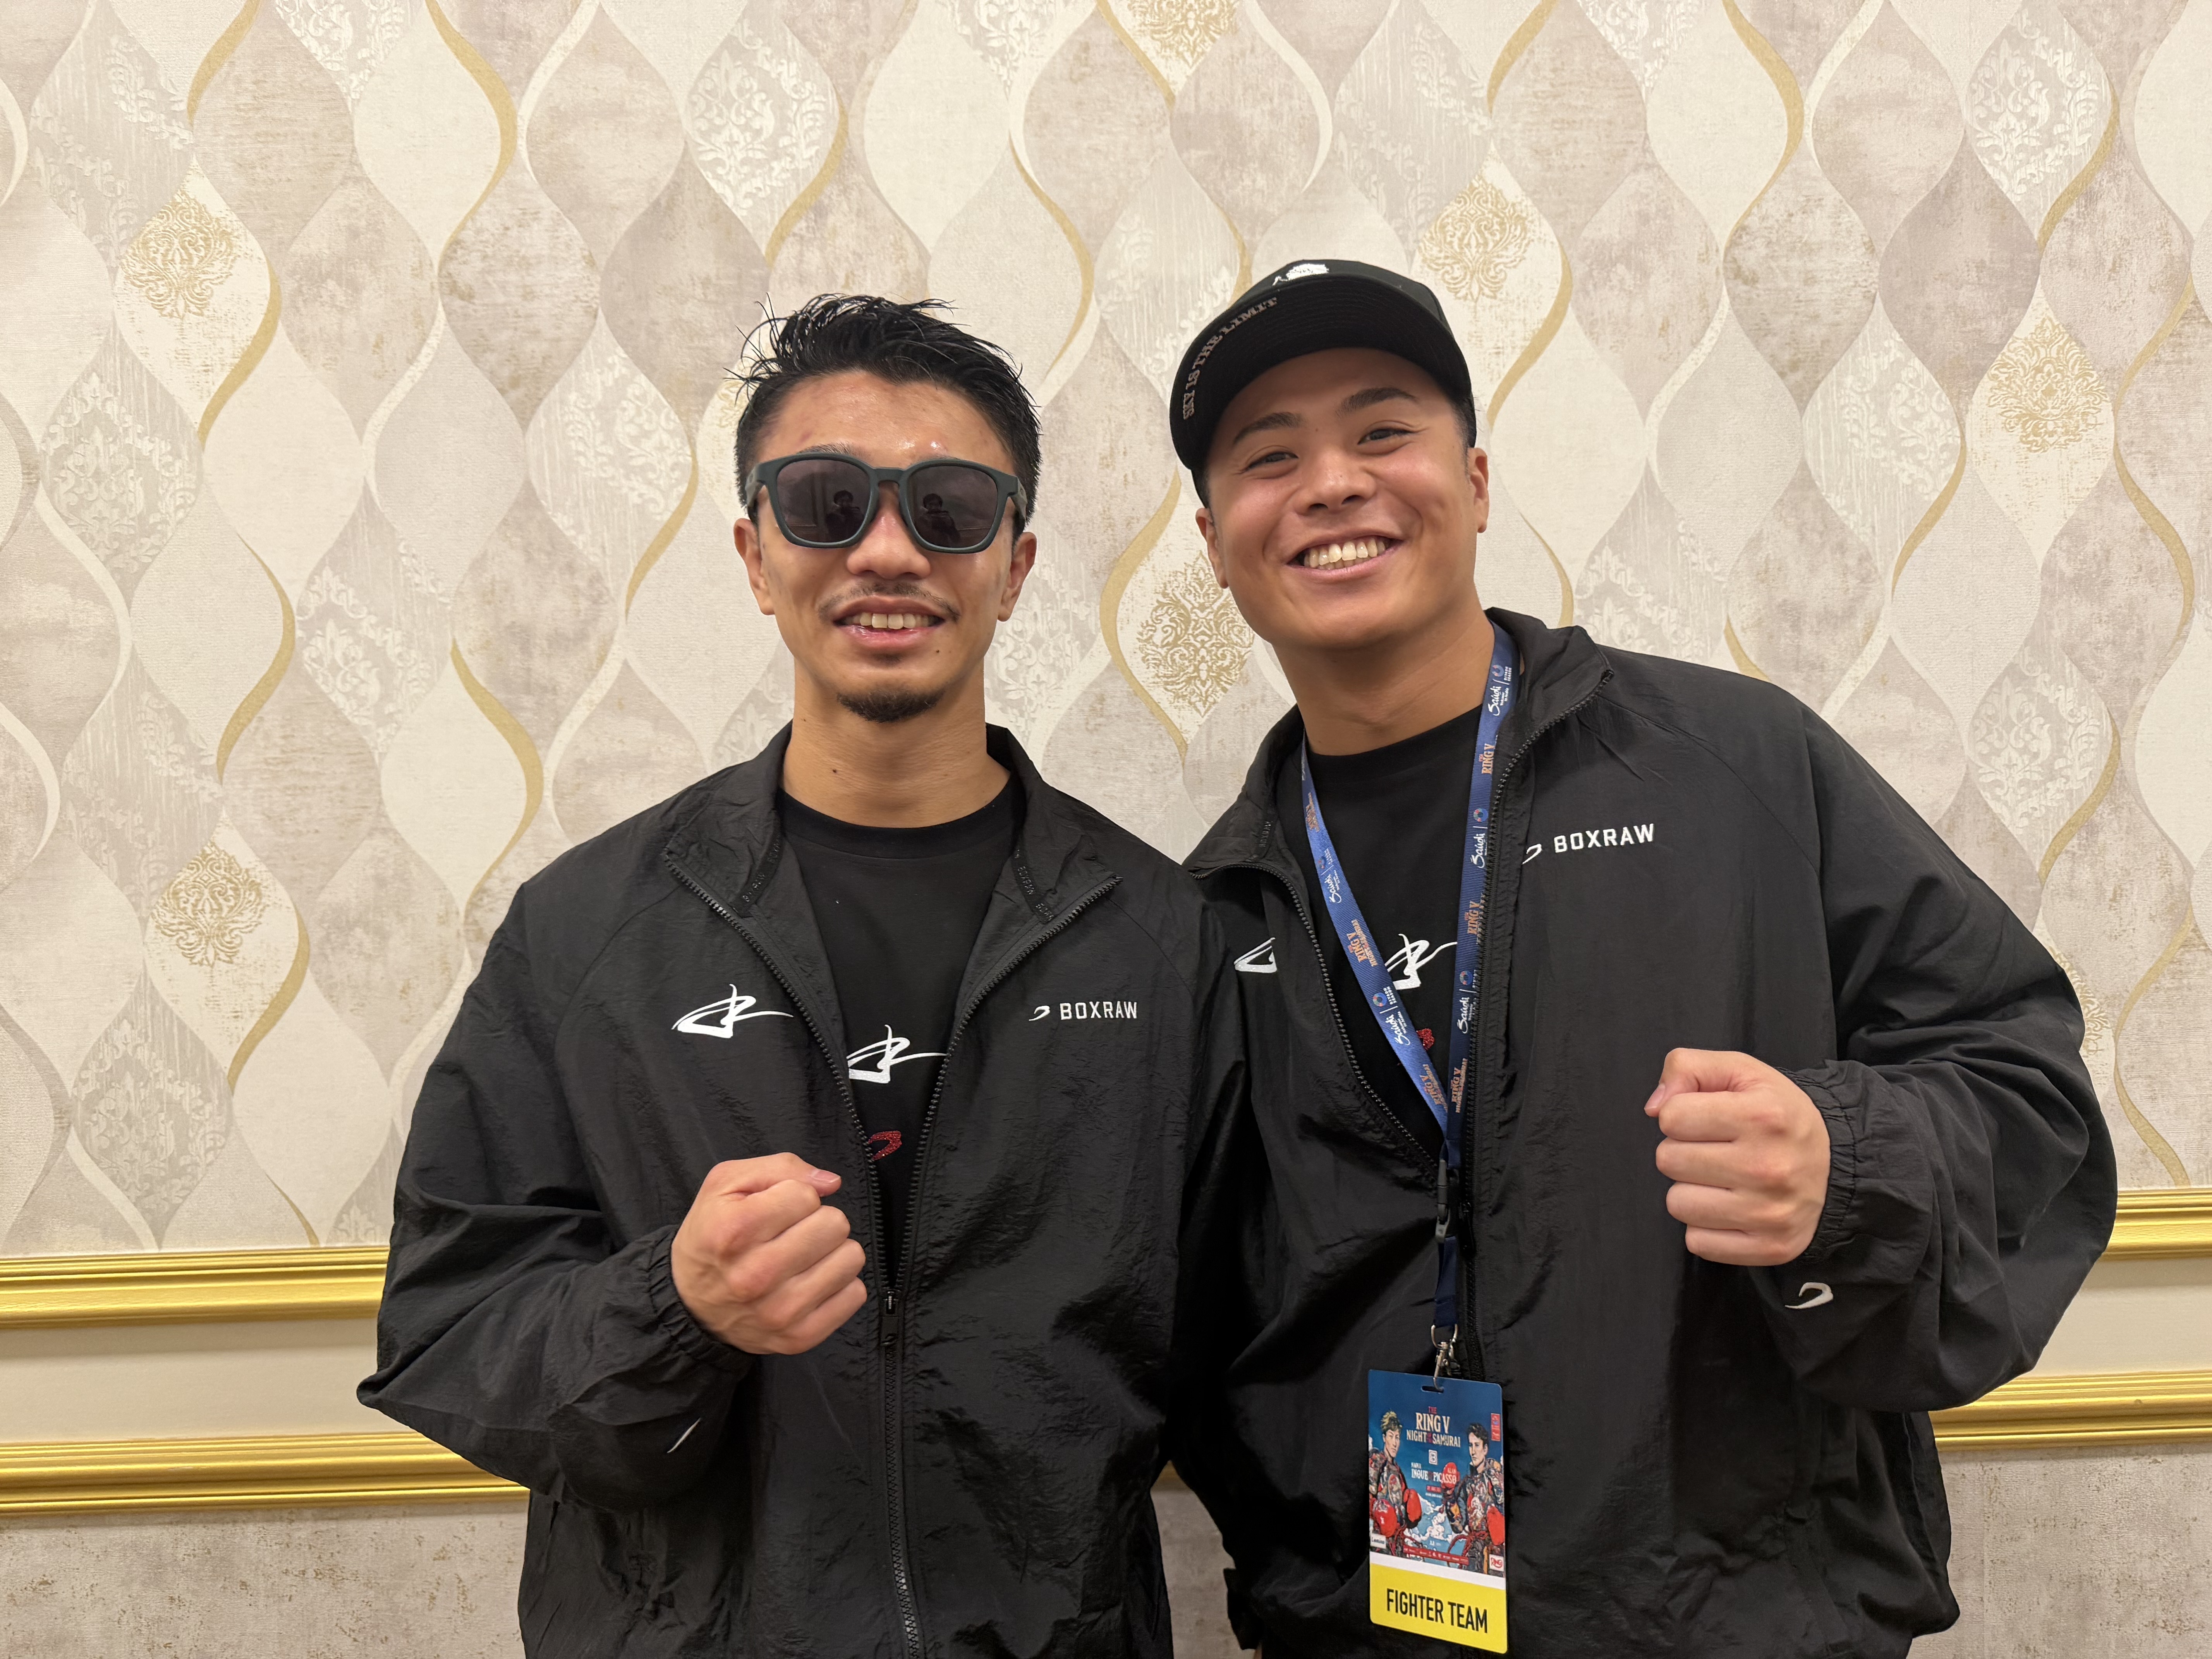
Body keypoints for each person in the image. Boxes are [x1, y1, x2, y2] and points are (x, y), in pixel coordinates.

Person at [1165, 261, 2115, 1656]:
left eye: (1381, 431)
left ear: (1473, 482)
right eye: (1269, 457)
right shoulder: (1208, 912)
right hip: (1381, 1620)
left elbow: (2021, 1082)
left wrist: (1847, 1166)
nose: (1332, 483)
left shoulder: (1733, 764)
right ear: (1213, 539)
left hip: (1740, 1615)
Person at [362, 295, 1245, 1658]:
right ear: (756, 555)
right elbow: (449, 1331)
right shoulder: (589, 930)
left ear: (1013, 566)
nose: (887, 550)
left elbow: (1253, 1350)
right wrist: (675, 1307)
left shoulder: (1161, 936)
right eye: (827, 503)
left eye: (949, 509)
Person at [1366, 1410, 1420, 1557]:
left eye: (1398, 1437)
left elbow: (1405, 1514)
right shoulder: (1377, 1460)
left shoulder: (1398, 1472)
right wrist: (1379, 1511)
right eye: (1391, 1436)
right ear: (1385, 1438)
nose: (1395, 1443)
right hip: (1380, 1542)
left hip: (1399, 1544)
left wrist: (1412, 1516)